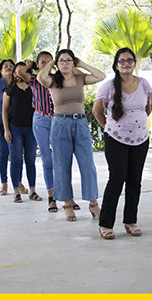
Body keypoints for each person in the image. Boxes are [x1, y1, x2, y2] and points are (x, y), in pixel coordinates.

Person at [37, 49, 106, 221]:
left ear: (73, 62)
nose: (65, 64)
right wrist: (52, 63)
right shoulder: (52, 80)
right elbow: (40, 77)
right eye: (62, 61)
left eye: (68, 60)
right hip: (60, 124)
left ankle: (93, 204)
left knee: (88, 164)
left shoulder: (80, 78)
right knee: (61, 165)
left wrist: (81, 63)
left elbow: (101, 76)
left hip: (80, 123)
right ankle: (67, 204)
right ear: (57, 63)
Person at [92, 48, 152, 239]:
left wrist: (136, 124)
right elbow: (97, 111)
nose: (126, 64)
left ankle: (130, 221)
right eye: (122, 61)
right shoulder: (108, 86)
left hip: (141, 139)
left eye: (129, 60)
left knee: (135, 180)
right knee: (117, 179)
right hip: (115, 140)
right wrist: (110, 128)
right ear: (116, 65)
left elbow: (148, 107)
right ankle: (106, 223)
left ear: (135, 63)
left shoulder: (144, 84)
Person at [17, 52, 82, 213]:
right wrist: (30, 65)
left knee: (63, 158)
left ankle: (68, 196)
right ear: (38, 65)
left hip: (58, 119)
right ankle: (51, 197)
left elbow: (78, 76)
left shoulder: (57, 80)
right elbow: (20, 72)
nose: (46, 65)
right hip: (41, 120)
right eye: (42, 62)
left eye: (49, 62)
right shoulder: (34, 80)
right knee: (47, 160)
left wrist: (55, 63)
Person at [2, 62, 41, 203]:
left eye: (22, 71)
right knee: (16, 160)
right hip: (15, 128)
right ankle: (16, 191)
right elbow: (4, 110)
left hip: (31, 128)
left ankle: (32, 190)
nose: (19, 74)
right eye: (17, 71)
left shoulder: (34, 86)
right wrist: (6, 130)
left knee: (30, 160)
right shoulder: (10, 89)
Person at [0, 59, 28, 196]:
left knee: (17, 155)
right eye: (5, 66)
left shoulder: (19, 83)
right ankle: (4, 183)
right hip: (1, 124)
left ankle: (18, 181)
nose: (9, 68)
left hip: (17, 124)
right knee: (4, 153)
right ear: (0, 70)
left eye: (11, 66)